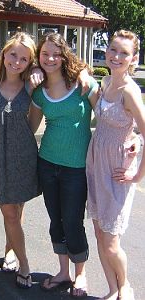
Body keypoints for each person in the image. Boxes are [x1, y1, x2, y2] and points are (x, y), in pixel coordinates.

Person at [29, 32, 99, 297]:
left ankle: (81, 274)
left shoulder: (82, 84)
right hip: (47, 164)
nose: (50, 58)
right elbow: (30, 127)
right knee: (55, 220)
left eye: (55, 53)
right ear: (38, 57)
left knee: (72, 221)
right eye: (44, 54)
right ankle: (63, 272)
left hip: (76, 168)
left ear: (64, 55)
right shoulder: (39, 91)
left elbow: (104, 116)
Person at [86, 30, 145, 300]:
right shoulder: (106, 80)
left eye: (124, 53)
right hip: (96, 161)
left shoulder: (130, 91)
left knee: (111, 240)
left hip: (117, 169)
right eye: (113, 50)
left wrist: (137, 176)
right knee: (99, 231)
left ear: (134, 59)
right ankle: (111, 288)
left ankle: (125, 286)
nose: (117, 56)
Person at [0, 32, 40, 288]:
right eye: (13, 54)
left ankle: (10, 251)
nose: (17, 61)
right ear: (4, 53)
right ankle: (24, 264)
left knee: (16, 210)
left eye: (24, 58)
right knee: (10, 213)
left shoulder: (31, 85)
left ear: (30, 62)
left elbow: (34, 122)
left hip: (21, 156)